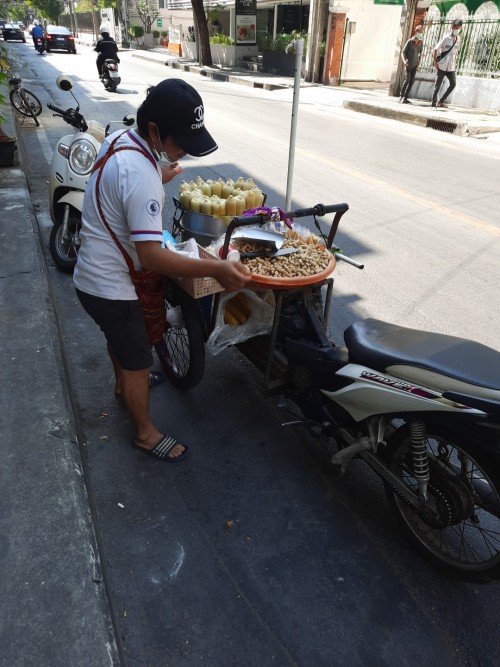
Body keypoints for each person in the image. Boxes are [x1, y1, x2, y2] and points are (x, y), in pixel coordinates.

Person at [73, 79, 252, 462]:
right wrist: (215, 268)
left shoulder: (121, 140)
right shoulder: (141, 177)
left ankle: (123, 387)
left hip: (91, 275)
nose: (185, 150)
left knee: (119, 339)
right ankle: (145, 433)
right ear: (154, 130)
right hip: (109, 287)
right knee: (139, 360)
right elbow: (152, 257)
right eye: (181, 141)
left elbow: (124, 183)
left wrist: (160, 172)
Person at [432, 20, 463, 108]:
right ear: (452, 27)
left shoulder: (458, 39)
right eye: (456, 27)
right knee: (437, 86)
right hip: (442, 65)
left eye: (459, 28)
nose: (457, 29)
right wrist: (435, 62)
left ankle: (441, 101)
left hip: (451, 67)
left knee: (453, 84)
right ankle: (433, 104)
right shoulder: (446, 38)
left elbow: (456, 51)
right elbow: (435, 50)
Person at [399, 25, 423, 104]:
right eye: (420, 32)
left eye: (422, 32)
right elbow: (403, 52)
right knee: (407, 80)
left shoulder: (420, 42)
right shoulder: (410, 41)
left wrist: (419, 60)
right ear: (416, 32)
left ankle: (405, 98)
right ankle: (401, 97)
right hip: (408, 64)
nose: (421, 34)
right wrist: (404, 61)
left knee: (411, 82)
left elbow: (420, 52)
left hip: (415, 65)